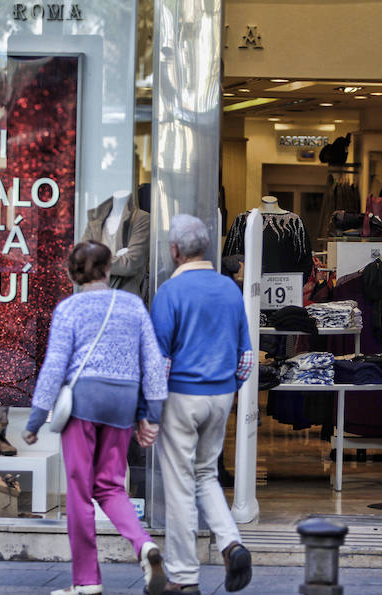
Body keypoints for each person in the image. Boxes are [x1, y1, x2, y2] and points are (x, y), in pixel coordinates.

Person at [22, 240, 168, 595]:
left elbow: (55, 365)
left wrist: (36, 419)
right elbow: (153, 362)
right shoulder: (133, 305)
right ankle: (143, 544)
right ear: (108, 269)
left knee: (79, 491)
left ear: (73, 272)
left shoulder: (69, 309)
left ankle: (86, 580)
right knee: (110, 486)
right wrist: (151, 414)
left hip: (83, 402)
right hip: (121, 403)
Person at [151, 214, 254, 594]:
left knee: (179, 486)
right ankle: (231, 543)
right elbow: (246, 355)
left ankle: (183, 575)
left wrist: (149, 411)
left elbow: (158, 362)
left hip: (181, 394)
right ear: (207, 247)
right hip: (220, 393)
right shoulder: (230, 289)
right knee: (206, 474)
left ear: (174, 250)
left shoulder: (169, 293)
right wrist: (230, 387)